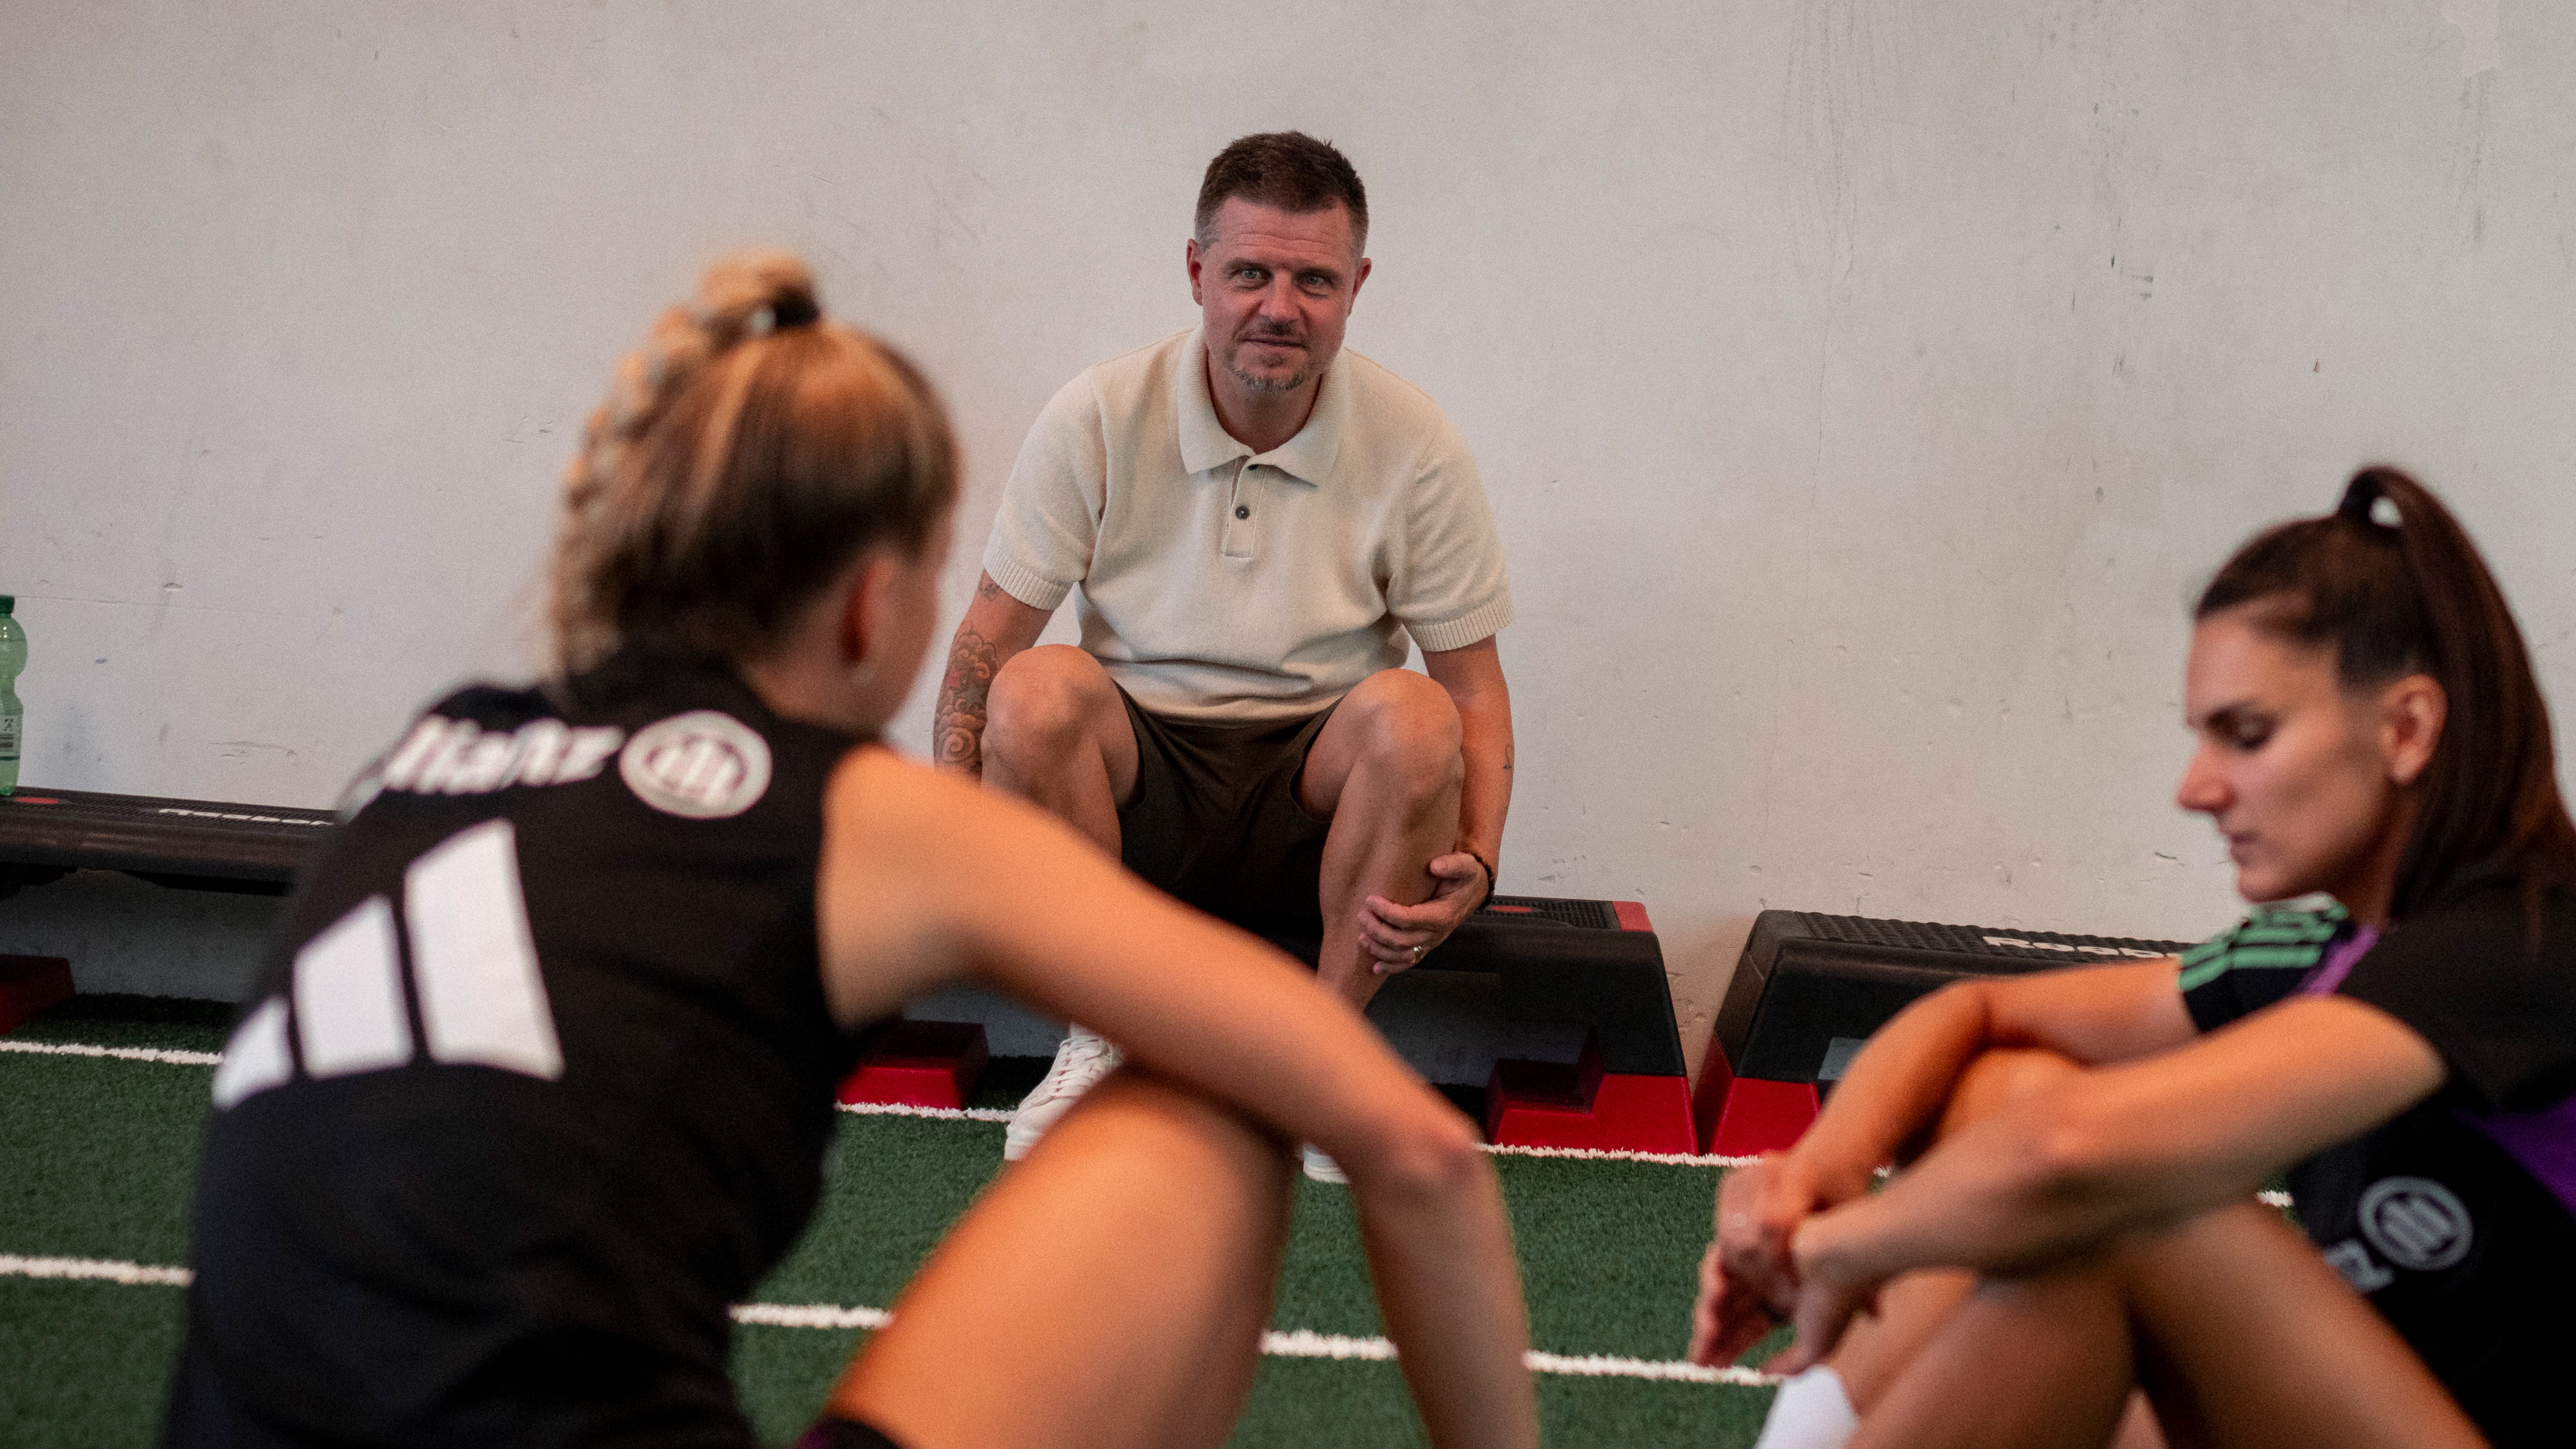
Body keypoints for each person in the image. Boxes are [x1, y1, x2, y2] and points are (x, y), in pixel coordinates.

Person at [163, 253, 1540, 1449]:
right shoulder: (845, 818)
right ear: (877, 599)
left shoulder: (422, 759)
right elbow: (1413, 1155)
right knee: (1214, 1115)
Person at [1692, 468, 2576, 1449]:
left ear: (2407, 728)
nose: (2197, 789)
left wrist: (1833, 1248)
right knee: (2010, 1095)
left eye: (2247, 735)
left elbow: (2069, 1155)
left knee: (2125, 1208)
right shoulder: (2323, 952)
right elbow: (1978, 1014)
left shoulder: (2529, 942)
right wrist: (1812, 1177)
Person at [929, 132, 1516, 1172]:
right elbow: (985, 640)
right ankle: (1098, 1040)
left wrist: (1478, 857)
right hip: (1134, 803)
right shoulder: (1098, 414)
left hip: (1314, 812)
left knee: (1415, 713)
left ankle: (1321, 1063)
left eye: (1313, 280)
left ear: (1356, 288)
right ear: (1198, 271)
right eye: (1249, 271)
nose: (1279, 305)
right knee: (1034, 689)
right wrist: (956, 833)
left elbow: (1472, 689)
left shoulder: (1416, 443)